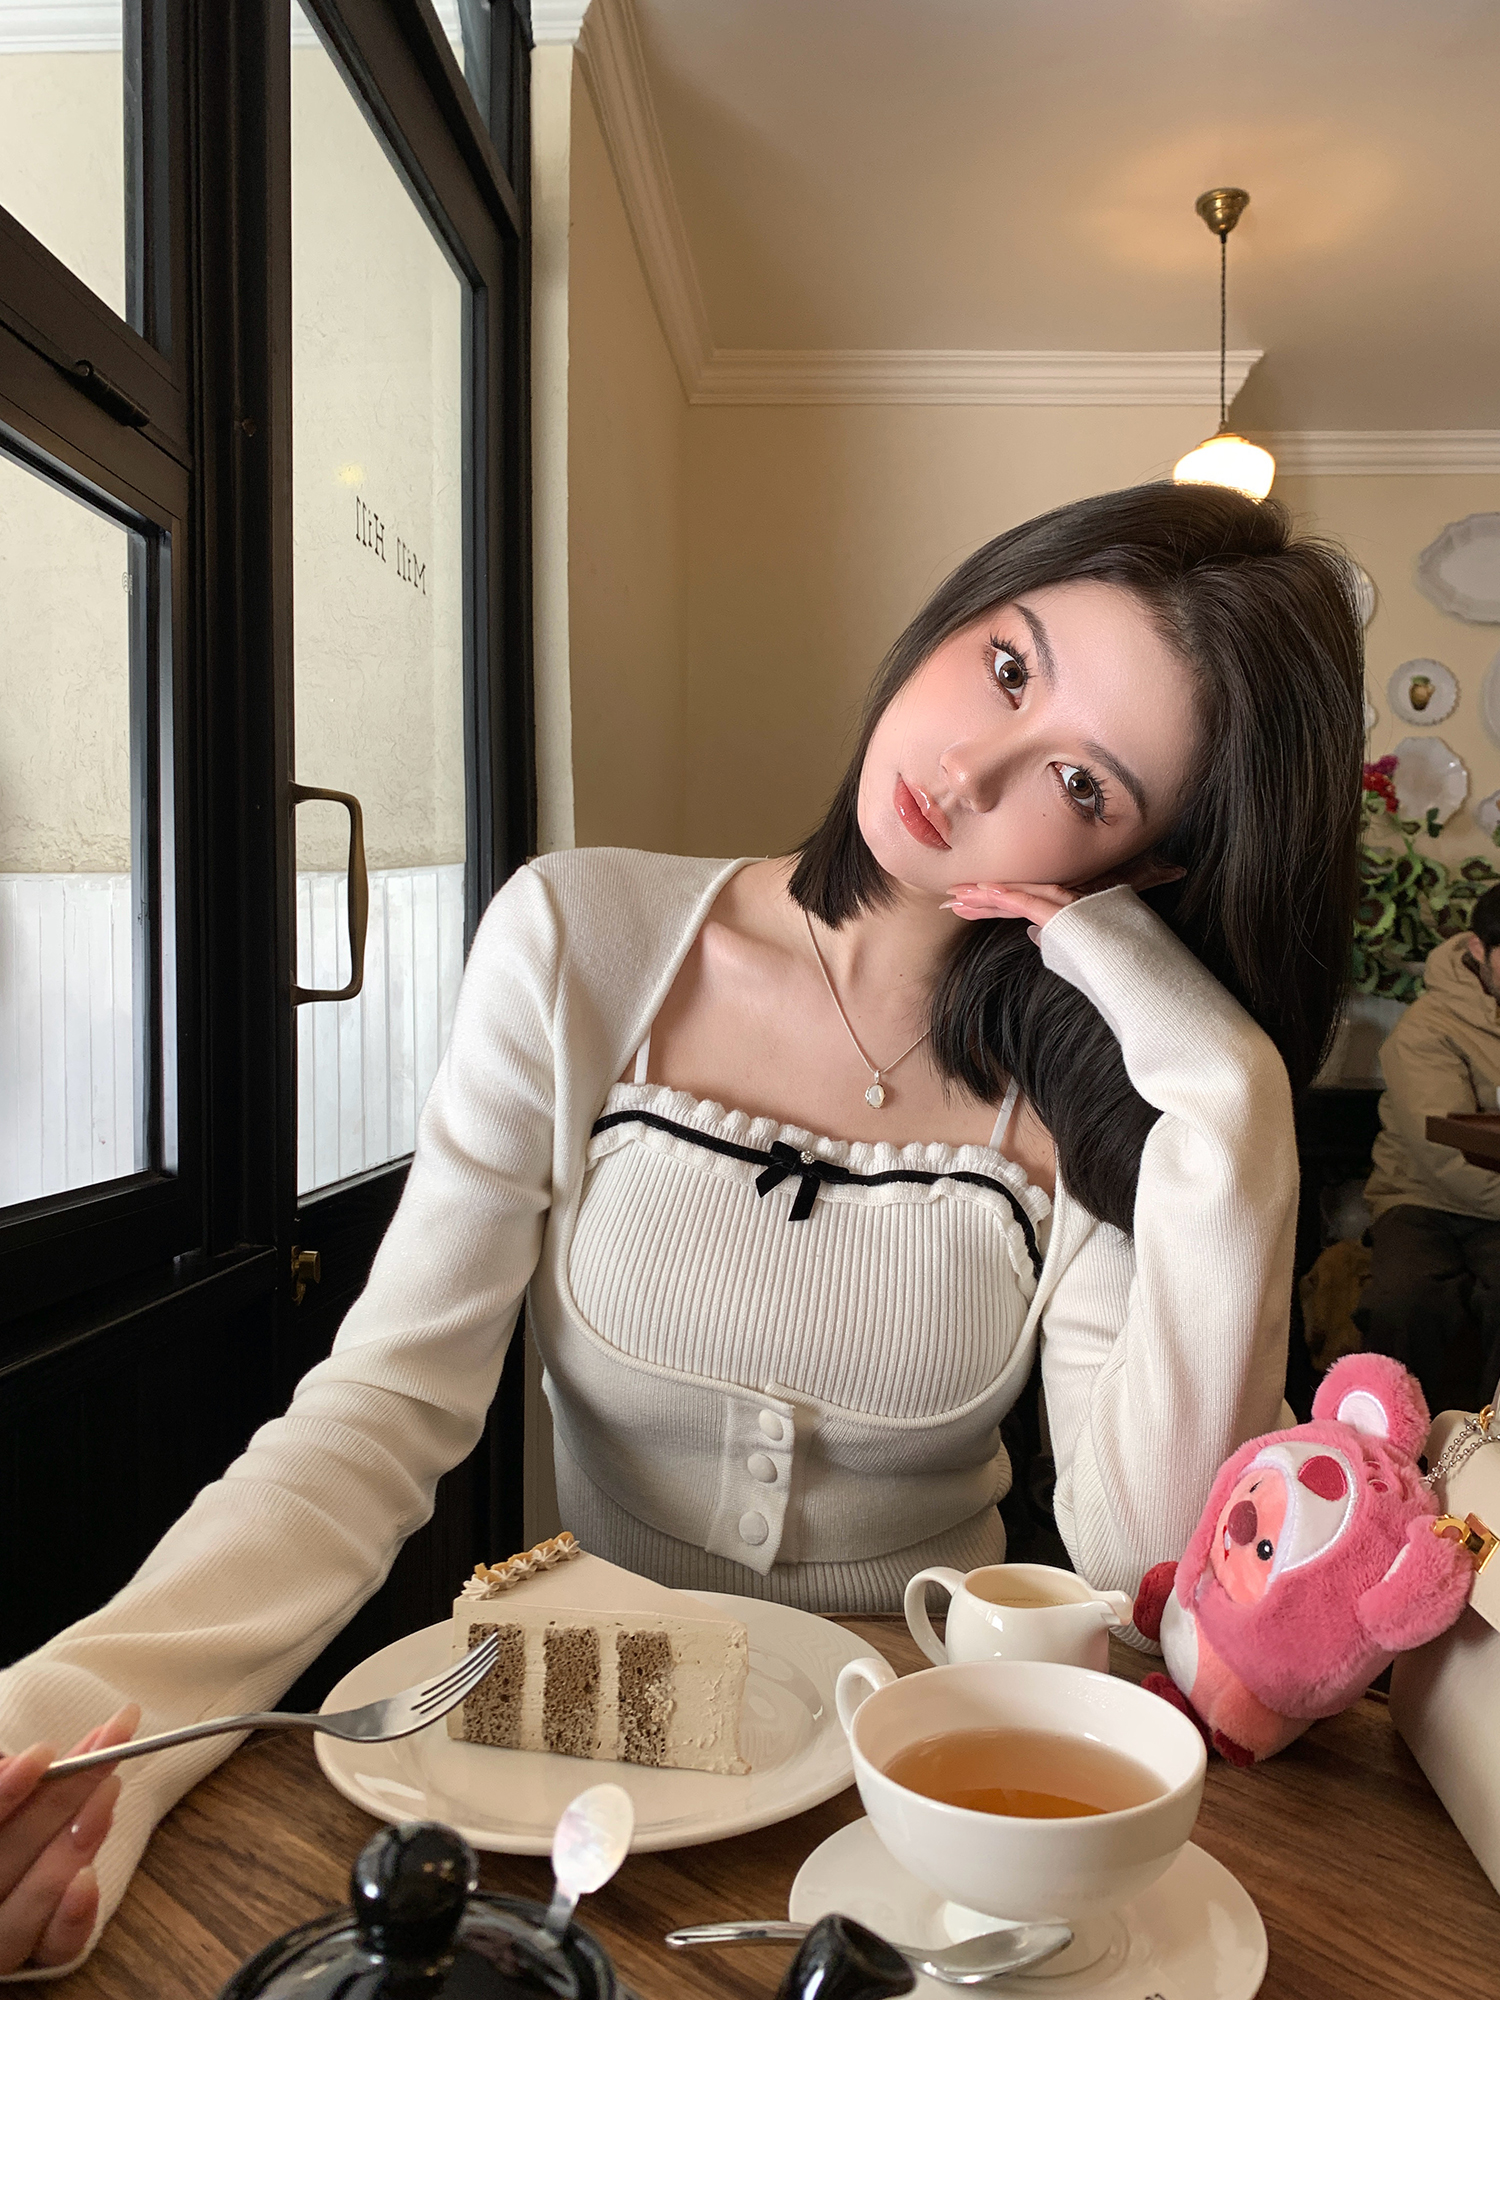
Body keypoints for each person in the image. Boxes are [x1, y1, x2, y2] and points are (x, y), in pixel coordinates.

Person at [0, 483, 1364, 1976]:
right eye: (1007, 665)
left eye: (1084, 784)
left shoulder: (1097, 1103)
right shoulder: (580, 941)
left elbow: (1147, 1564)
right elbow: (379, 1412)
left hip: (927, 1810)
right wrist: (83, 1733)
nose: (971, 768)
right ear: (960, 611)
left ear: (1152, 868)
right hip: (587, 1784)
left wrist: (1230, 1099)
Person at [1356, 884, 1500, 1409]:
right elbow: (1447, 1159)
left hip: (1493, 1212)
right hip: (1422, 1199)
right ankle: (1396, 1443)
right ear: (1479, 950)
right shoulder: (1427, 1030)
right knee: (1406, 1302)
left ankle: (1485, 1446)